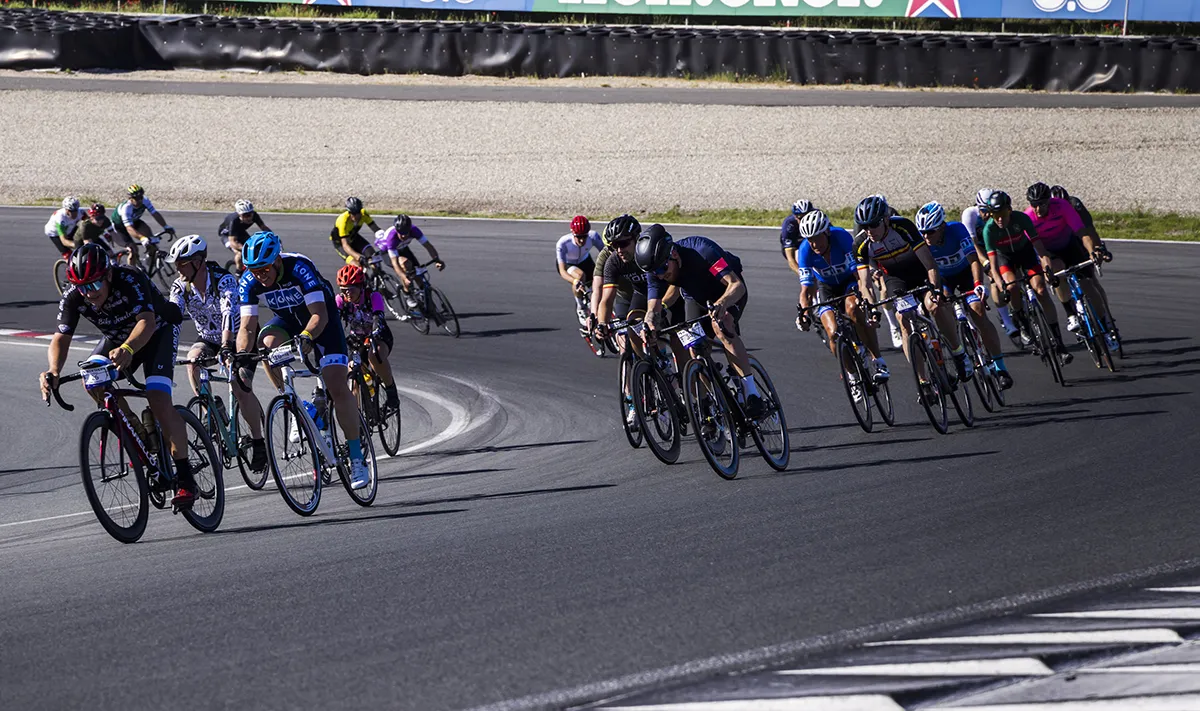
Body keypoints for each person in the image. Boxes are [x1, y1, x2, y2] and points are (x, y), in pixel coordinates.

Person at [39, 244, 196, 509]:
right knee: (92, 377)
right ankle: (135, 430)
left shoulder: (130, 278)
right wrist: (53, 370)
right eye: (82, 287)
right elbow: (60, 338)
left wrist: (127, 349)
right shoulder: (74, 296)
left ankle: (185, 479)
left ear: (108, 275)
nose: (89, 294)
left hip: (158, 331)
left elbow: (146, 322)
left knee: (158, 398)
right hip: (118, 337)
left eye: (94, 284)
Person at [236, 231, 371, 489]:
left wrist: (307, 337)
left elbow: (319, 315)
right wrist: (242, 355)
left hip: (320, 321)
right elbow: (247, 327)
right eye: (254, 270)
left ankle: (356, 457)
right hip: (287, 321)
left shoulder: (299, 267)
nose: (260, 276)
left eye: (264, 269)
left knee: (336, 385)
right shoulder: (249, 281)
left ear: (276, 260)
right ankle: (292, 402)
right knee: (266, 347)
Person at [634, 224, 768, 420]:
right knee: (693, 345)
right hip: (695, 297)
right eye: (656, 273)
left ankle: (751, 393)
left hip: (726, 293)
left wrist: (722, 304)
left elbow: (736, 286)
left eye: (663, 269)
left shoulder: (702, 250)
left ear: (674, 254)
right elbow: (653, 309)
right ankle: (710, 402)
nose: (661, 276)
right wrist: (649, 326)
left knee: (721, 326)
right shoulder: (654, 270)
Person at [165, 234, 267, 473]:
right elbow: (173, 320)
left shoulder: (224, 279)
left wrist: (225, 347)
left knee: (239, 385)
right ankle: (209, 409)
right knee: (193, 361)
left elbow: (227, 313)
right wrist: (167, 355)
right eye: (177, 264)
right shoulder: (180, 286)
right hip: (209, 339)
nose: (178, 269)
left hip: (239, 336)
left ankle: (258, 441)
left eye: (182, 263)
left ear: (198, 262)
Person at [852, 195, 972, 392]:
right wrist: (871, 309)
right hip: (896, 279)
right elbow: (864, 284)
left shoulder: (904, 227)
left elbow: (930, 264)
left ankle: (959, 354)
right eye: (864, 226)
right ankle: (923, 380)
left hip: (920, 271)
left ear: (885, 220)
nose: (869, 231)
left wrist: (934, 289)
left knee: (935, 306)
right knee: (903, 318)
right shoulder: (861, 244)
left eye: (873, 224)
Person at [916, 202, 1013, 390]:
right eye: (923, 232)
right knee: (941, 307)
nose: (926, 237)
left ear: (942, 227)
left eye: (930, 231)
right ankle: (959, 350)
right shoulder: (923, 243)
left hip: (966, 274)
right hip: (945, 280)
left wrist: (978, 285)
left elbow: (973, 261)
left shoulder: (957, 230)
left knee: (977, 310)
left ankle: (1000, 368)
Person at [793, 210, 879, 402]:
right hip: (826, 287)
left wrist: (865, 299)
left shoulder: (841, 237)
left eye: (817, 238)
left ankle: (873, 354)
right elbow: (806, 290)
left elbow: (858, 274)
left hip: (848, 281)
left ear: (827, 233)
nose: (815, 244)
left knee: (852, 308)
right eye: (810, 239)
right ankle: (852, 376)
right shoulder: (805, 251)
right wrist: (803, 314)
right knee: (832, 332)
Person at [980, 190, 1071, 364]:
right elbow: (993, 267)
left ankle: (1059, 343)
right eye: (995, 214)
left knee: (1041, 289)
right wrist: (1001, 287)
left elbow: (1040, 248)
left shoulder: (1021, 219)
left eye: (1003, 213)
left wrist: (1047, 269)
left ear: (1010, 210)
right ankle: (1021, 321)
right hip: (1005, 258)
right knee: (1012, 286)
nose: (1000, 219)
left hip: (1025, 254)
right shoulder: (989, 230)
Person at [1025, 182, 1114, 347]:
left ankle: (1106, 328)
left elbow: (1082, 233)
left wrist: (1092, 252)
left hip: (1069, 245)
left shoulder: (1062, 206)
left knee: (1088, 285)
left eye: (1042, 205)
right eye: (1034, 205)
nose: (1037, 209)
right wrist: (1046, 269)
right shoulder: (1028, 217)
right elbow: (1035, 250)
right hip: (1048, 251)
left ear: (1049, 202)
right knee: (1058, 272)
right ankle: (1070, 313)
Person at [335, 263, 400, 413]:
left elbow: (378, 318)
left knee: (374, 355)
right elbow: (334, 321)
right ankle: (357, 414)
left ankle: (391, 391)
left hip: (379, 335)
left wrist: (374, 333)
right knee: (352, 370)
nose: (348, 294)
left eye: (351, 289)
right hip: (356, 340)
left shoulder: (373, 296)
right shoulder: (341, 300)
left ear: (361, 287)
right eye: (344, 290)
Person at [962, 188, 1020, 344]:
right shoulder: (970, 215)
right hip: (981, 250)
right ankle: (1006, 321)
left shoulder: (996, 212)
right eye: (983, 211)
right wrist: (986, 264)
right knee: (994, 278)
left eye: (989, 210)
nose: (987, 215)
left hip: (997, 247)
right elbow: (973, 246)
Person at [375, 214, 445, 310]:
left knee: (418, 274)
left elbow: (428, 246)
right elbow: (395, 263)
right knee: (405, 264)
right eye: (401, 233)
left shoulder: (414, 230)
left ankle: (428, 305)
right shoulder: (392, 238)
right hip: (387, 252)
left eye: (406, 233)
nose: (403, 235)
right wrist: (404, 277)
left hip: (403, 248)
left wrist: (437, 260)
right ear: (396, 230)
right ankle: (407, 294)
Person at [111, 184, 175, 268]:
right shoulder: (126, 208)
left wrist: (166, 226)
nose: (139, 201)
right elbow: (129, 228)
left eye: (140, 197)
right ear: (130, 198)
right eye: (136, 198)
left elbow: (155, 214)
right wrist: (142, 238)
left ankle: (150, 257)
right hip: (120, 227)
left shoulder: (145, 201)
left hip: (135, 221)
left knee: (152, 240)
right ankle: (132, 270)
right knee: (133, 250)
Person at [556, 215, 604, 324]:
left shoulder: (593, 236)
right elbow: (562, 271)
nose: (582, 240)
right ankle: (581, 307)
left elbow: (606, 253)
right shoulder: (562, 243)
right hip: (568, 264)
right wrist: (574, 281)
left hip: (585, 261)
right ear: (572, 233)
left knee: (598, 284)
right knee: (579, 276)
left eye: (584, 236)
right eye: (578, 237)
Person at [218, 199, 271, 274]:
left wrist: (273, 238)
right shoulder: (234, 221)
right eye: (245, 215)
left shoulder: (254, 216)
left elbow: (264, 228)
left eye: (250, 214)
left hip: (240, 231)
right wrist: (244, 248)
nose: (249, 218)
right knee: (240, 254)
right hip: (227, 235)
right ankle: (238, 273)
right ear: (239, 215)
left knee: (256, 247)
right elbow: (232, 241)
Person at [330, 196, 382, 266]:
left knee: (373, 257)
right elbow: (345, 245)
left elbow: (376, 229)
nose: (357, 216)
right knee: (357, 265)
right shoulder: (343, 221)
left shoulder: (363, 214)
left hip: (353, 238)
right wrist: (359, 257)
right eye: (354, 213)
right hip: (341, 244)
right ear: (349, 212)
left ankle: (378, 275)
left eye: (358, 212)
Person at [779, 199, 817, 276]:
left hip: (812, 241)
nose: (805, 220)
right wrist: (803, 276)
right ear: (795, 217)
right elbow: (791, 258)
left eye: (808, 216)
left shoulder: (819, 216)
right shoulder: (789, 225)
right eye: (801, 218)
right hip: (796, 246)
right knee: (802, 259)